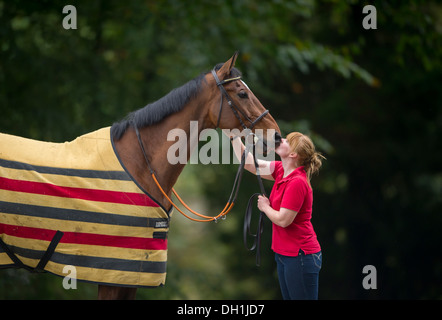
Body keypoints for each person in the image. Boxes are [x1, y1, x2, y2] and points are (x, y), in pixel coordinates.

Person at [229, 131, 325, 300]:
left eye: (287, 140)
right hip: (285, 254)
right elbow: (249, 164)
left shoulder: (297, 182)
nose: (281, 140)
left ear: (293, 154)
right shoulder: (281, 170)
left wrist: (265, 207)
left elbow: (283, 220)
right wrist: (233, 136)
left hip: (300, 255)